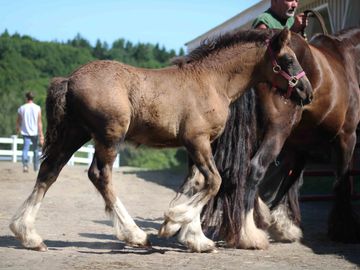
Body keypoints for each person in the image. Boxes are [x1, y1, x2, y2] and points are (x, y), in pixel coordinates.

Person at [16, 91, 44, 172]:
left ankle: (25, 166)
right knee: (35, 150)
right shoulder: (37, 108)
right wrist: (41, 134)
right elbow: (39, 122)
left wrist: (17, 128)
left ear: (26, 98)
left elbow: (18, 120)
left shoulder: (22, 108)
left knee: (25, 149)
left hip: (25, 132)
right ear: (33, 98)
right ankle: (36, 167)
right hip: (34, 132)